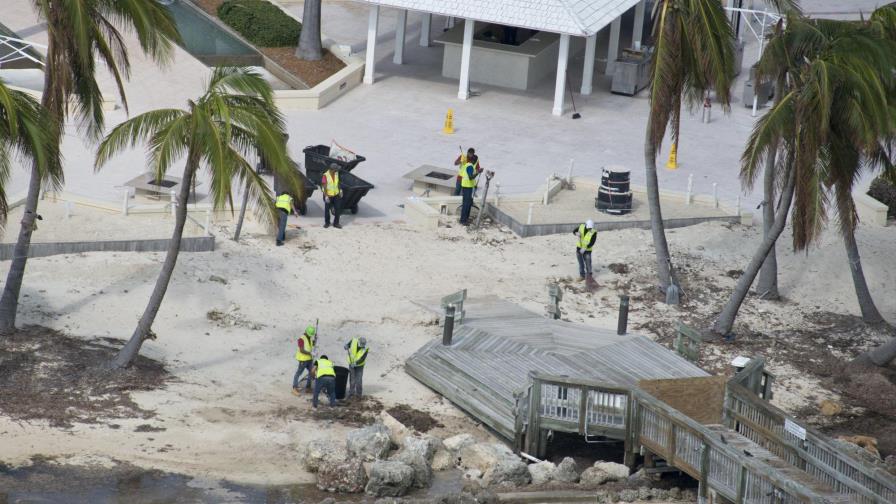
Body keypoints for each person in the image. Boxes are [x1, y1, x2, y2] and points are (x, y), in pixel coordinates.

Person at [292, 325, 316, 395]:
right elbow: (302, 350)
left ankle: (308, 387)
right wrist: (310, 353)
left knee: (311, 372)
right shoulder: (301, 339)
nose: (310, 336)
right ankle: (294, 387)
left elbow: (310, 344)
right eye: (310, 335)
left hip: (309, 359)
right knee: (298, 373)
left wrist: (314, 342)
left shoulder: (309, 338)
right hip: (303, 359)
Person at [458, 156, 481, 226]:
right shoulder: (470, 166)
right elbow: (471, 177)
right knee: (466, 204)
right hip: (467, 187)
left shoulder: (467, 165)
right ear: (475, 161)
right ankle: (463, 220)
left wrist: (474, 184)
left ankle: (464, 219)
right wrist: (478, 172)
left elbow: (470, 178)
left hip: (467, 186)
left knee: (467, 203)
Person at [321, 163, 343, 229]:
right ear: (332, 170)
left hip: (336, 194)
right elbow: (324, 186)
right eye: (336, 169)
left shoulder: (336, 173)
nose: (337, 170)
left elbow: (338, 182)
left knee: (338, 209)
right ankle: (327, 223)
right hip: (328, 195)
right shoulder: (325, 175)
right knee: (327, 210)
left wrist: (340, 190)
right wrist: (326, 196)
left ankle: (336, 223)